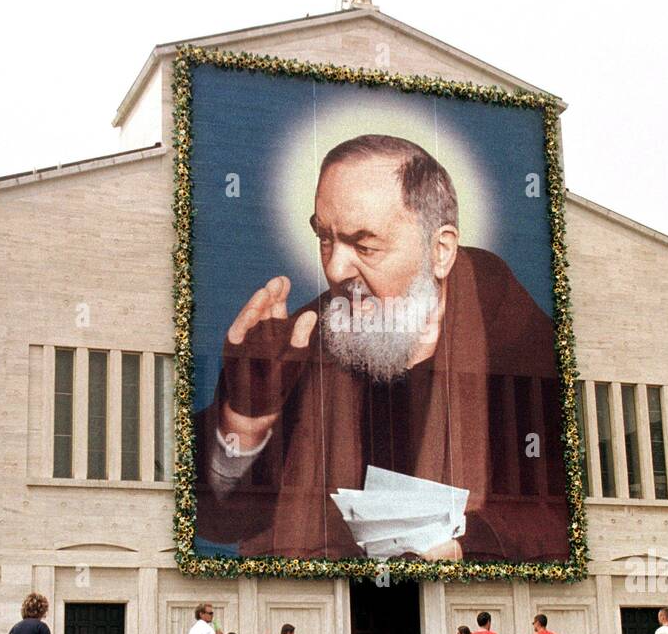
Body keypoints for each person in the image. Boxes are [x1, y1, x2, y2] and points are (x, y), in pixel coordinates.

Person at [195, 135, 571, 564]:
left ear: (440, 251)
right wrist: (246, 418)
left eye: (365, 246)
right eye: (325, 239)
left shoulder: (518, 339)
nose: (335, 268)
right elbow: (220, 520)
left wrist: (470, 547)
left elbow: (563, 510)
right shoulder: (302, 341)